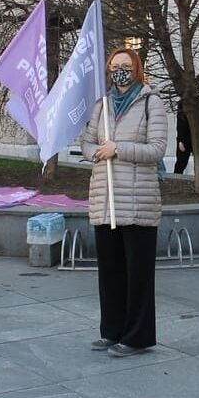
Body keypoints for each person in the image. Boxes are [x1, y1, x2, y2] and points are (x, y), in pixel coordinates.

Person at [81, 48, 168, 358]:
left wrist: (118, 148)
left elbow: (157, 149)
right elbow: (87, 141)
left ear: (137, 69)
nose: (119, 71)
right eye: (115, 66)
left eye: (126, 66)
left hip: (139, 202)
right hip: (106, 201)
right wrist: (96, 152)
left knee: (138, 274)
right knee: (110, 271)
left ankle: (137, 337)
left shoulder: (151, 102)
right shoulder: (101, 105)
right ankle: (112, 331)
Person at [174, 99, 199, 177]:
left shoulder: (184, 103)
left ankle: (176, 177)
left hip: (186, 138)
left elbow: (181, 124)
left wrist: (181, 140)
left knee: (181, 163)